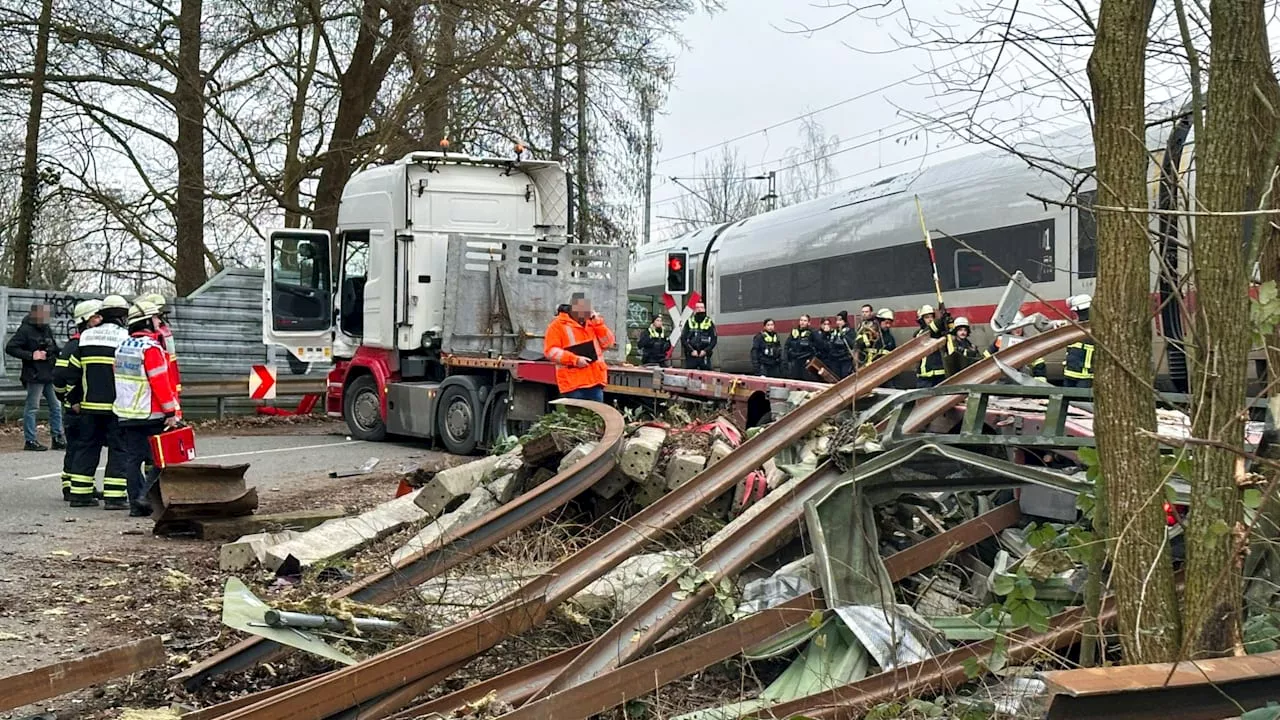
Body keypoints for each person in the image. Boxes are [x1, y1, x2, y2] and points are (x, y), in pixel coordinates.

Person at [63, 295, 131, 509]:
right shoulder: (126, 338)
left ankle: (80, 496)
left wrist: (73, 399)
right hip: (117, 406)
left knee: (87, 448)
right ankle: (115, 497)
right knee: (119, 449)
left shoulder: (85, 338)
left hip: (88, 406)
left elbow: (70, 374)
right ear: (123, 316)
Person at [113, 300, 181, 516]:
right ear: (146, 322)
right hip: (151, 412)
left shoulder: (122, 347)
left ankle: (136, 506)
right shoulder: (151, 349)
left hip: (127, 413)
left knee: (133, 460)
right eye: (155, 318)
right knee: (161, 459)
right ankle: (145, 496)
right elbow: (160, 382)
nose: (159, 322)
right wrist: (171, 412)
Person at [53, 300, 103, 501]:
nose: (101, 321)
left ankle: (83, 485)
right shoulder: (76, 344)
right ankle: (70, 487)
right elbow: (59, 376)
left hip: (84, 407)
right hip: (75, 408)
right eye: (97, 317)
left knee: (84, 448)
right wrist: (66, 397)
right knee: (77, 447)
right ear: (86, 320)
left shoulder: (89, 342)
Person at [6, 303, 65, 452]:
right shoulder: (25, 330)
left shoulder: (46, 329)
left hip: (49, 373)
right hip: (34, 374)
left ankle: (57, 437)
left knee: (56, 406)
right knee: (33, 407)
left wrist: (57, 352)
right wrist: (32, 355)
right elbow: (10, 347)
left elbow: (54, 348)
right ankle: (30, 440)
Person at [543, 294, 616, 402]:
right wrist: (575, 360)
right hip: (573, 384)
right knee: (577, 417)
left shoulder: (592, 323)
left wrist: (597, 322)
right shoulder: (557, 325)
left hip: (595, 382)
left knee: (595, 417)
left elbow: (608, 343)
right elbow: (550, 351)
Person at [986, 313, 1047, 380]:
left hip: (1021, 379)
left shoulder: (1026, 342)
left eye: (1020, 326)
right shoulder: (1001, 340)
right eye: (1014, 327)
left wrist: (1040, 378)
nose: (1018, 329)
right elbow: (987, 357)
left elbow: (1038, 361)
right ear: (1009, 328)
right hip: (1003, 379)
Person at [142, 293, 181, 394]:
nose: (160, 318)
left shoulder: (159, 332)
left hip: (166, 378)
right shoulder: (163, 330)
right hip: (166, 378)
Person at [914, 304, 950, 387]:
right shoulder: (919, 334)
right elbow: (929, 331)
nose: (930, 320)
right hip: (925, 376)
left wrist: (947, 323)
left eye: (931, 317)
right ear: (922, 320)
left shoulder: (939, 333)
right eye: (927, 317)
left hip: (940, 374)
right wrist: (940, 320)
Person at [1064, 294, 1094, 388]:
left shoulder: (1093, 327)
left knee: (1081, 401)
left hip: (1085, 376)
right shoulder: (1074, 327)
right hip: (1070, 373)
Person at [786, 314, 823, 381]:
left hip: (806, 360)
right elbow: (787, 345)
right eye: (801, 320)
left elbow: (819, 346)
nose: (802, 322)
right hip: (796, 360)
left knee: (807, 379)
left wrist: (811, 357)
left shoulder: (812, 332)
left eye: (805, 320)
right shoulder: (794, 331)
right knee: (795, 380)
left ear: (809, 322)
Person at [681, 301, 717, 370]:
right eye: (697, 307)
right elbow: (683, 338)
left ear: (704, 310)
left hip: (704, 355)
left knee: (706, 376)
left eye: (702, 307)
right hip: (691, 355)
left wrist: (705, 351)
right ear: (694, 310)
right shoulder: (689, 322)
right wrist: (691, 350)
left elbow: (714, 339)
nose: (700, 309)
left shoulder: (709, 322)